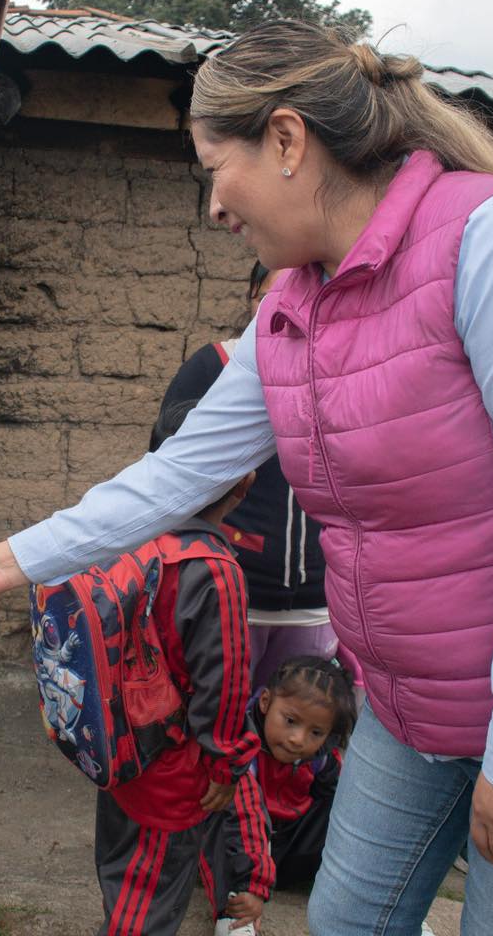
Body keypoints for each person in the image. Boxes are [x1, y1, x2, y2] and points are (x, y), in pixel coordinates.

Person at [0, 19, 493, 935]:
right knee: (346, 922)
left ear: (285, 140)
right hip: (407, 706)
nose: (212, 208)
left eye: (211, 170)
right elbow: (173, 477)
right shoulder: (293, 305)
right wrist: (2, 562)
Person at [53, 398, 269, 936]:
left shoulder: (128, 532)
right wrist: (227, 764)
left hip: (116, 742)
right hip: (174, 771)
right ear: (243, 481)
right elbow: (226, 685)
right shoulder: (214, 571)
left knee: (124, 874)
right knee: (145, 898)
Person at [160, 261, 337, 684]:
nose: (290, 316)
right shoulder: (214, 365)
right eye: (274, 300)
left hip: (319, 603)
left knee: (299, 736)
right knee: (222, 721)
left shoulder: (344, 372)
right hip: (229, 597)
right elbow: (168, 461)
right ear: (251, 297)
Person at [208, 654, 358, 927]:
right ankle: (236, 912)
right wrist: (253, 884)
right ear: (266, 702)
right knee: (224, 815)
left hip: (286, 847)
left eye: (315, 732)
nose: (297, 739)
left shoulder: (321, 759)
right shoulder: (242, 746)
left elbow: (346, 809)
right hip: (242, 842)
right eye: (290, 721)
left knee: (350, 811)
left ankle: (374, 903)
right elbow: (245, 816)